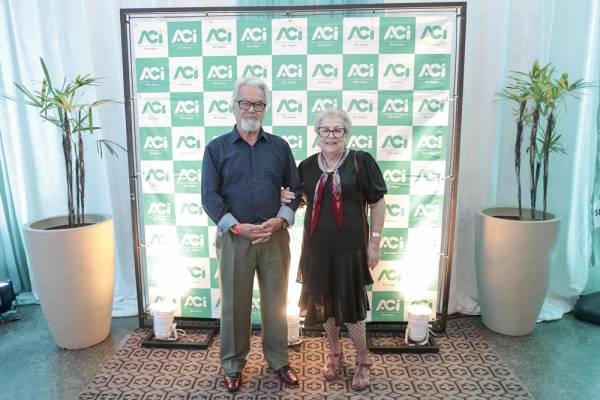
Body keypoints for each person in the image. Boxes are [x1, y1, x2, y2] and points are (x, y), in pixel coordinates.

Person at [201, 77, 302, 392]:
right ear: (233, 106)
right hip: (235, 238)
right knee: (234, 305)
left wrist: (281, 220)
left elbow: (296, 188)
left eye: (258, 104)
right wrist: (236, 226)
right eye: (245, 102)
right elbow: (209, 196)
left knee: (276, 303)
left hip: (274, 237)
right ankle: (232, 364)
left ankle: (279, 360)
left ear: (265, 109)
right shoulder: (216, 148)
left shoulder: (280, 147)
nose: (251, 109)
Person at [281, 108, 386, 391]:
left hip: (350, 251)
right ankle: (335, 353)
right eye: (324, 130)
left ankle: (363, 360)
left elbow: (377, 203)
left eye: (337, 130)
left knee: (352, 310)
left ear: (346, 133)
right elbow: (301, 199)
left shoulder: (361, 161)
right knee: (324, 306)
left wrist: (374, 242)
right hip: (317, 250)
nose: (331, 135)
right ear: (317, 134)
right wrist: (285, 195)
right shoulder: (306, 166)